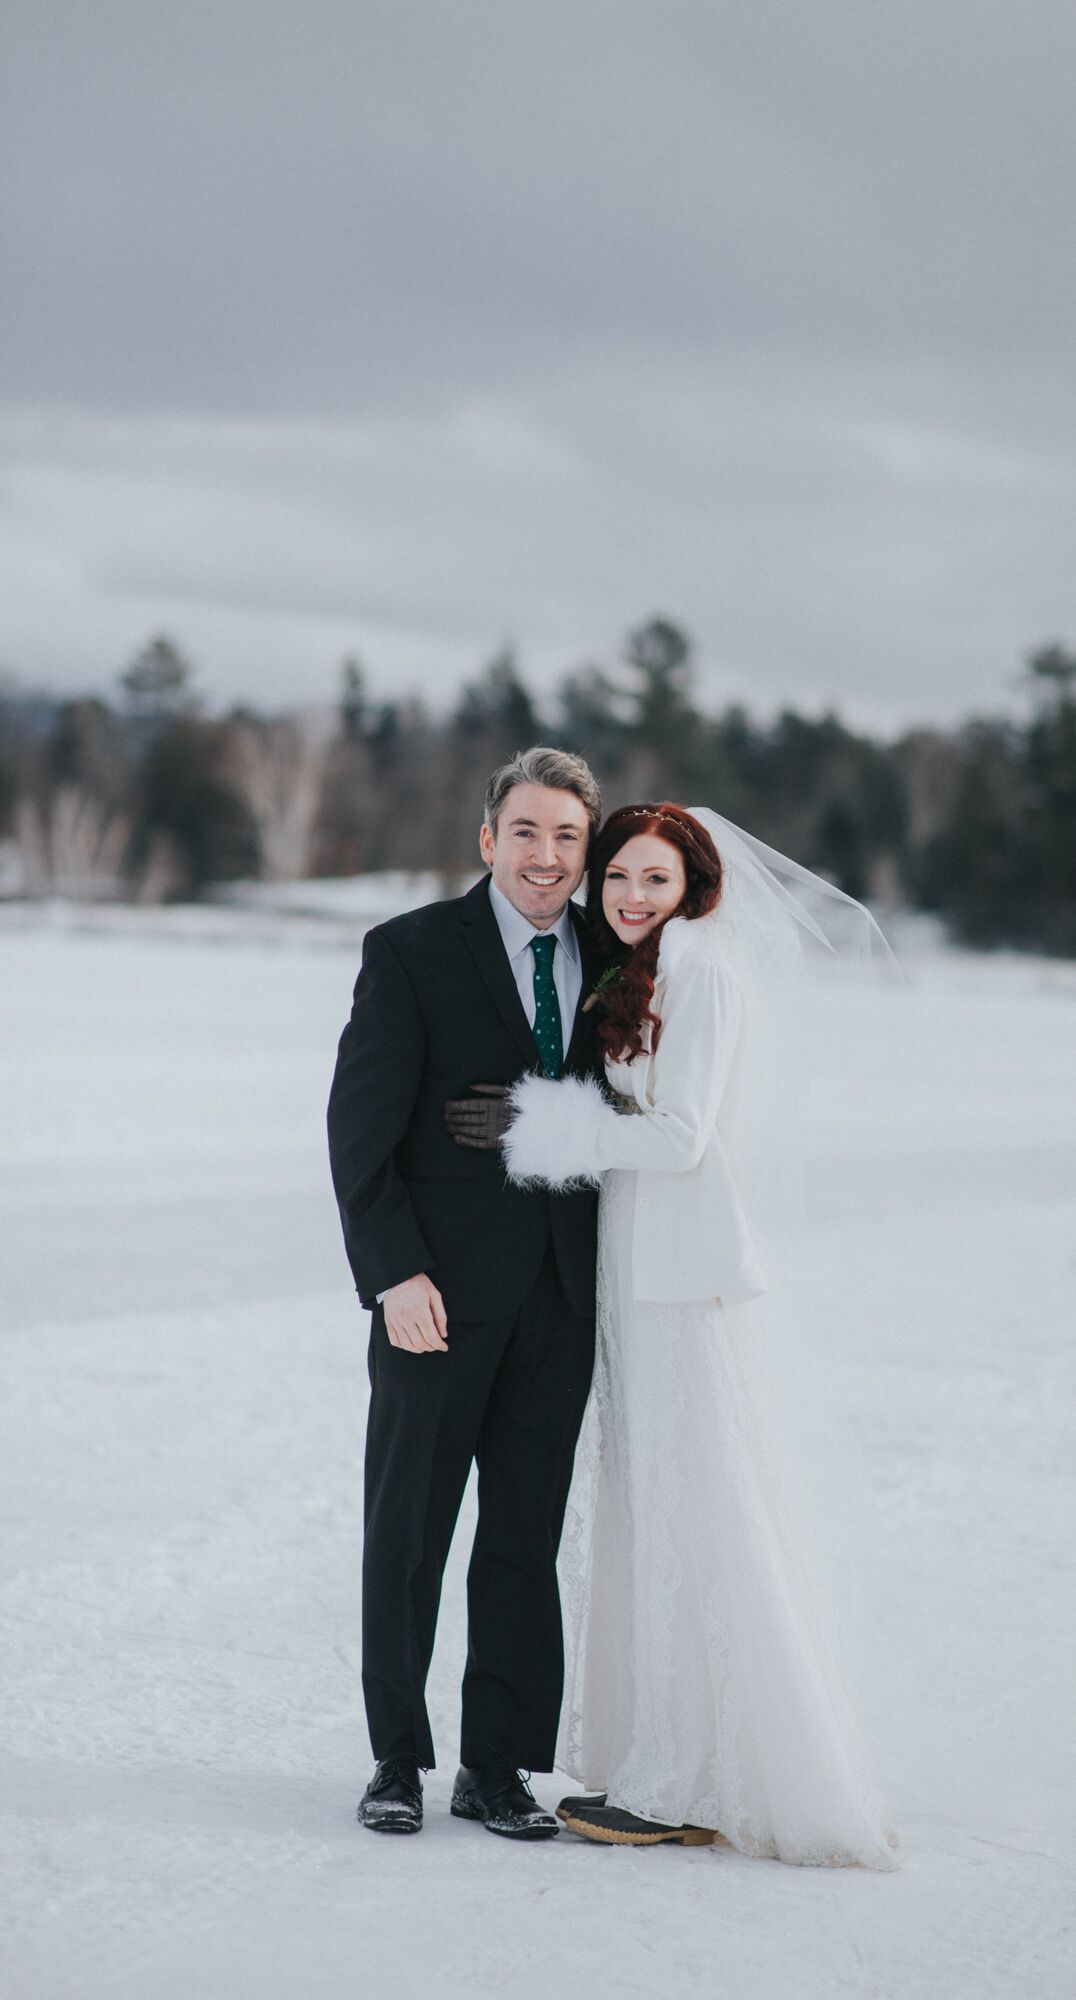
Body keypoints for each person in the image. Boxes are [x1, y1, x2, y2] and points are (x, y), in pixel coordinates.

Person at [446, 803, 899, 1868]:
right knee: (657, 1502)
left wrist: (536, 1124)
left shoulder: (703, 974)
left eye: (653, 878)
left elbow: (683, 1132)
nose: (629, 895)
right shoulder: (648, 967)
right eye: (617, 877)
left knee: (700, 1503)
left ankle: (694, 1773)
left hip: (681, 1277)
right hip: (641, 1266)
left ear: (695, 882)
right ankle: (671, 1756)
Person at [327, 747, 607, 1838]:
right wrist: (393, 1272)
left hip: (561, 1295)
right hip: (433, 1296)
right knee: (408, 1531)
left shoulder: (617, 955)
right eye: (527, 831)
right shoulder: (408, 951)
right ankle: (397, 1758)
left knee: (523, 1538)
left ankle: (498, 1766)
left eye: (568, 837)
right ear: (489, 838)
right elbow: (359, 1130)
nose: (547, 855)